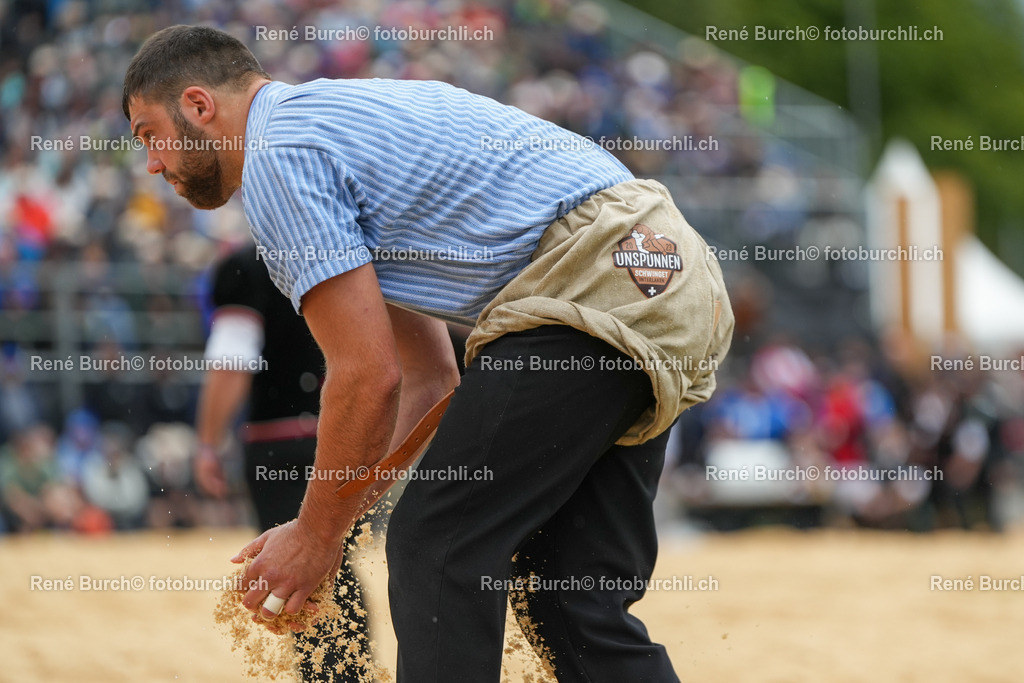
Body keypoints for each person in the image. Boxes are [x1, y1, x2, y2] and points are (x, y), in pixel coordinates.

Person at [123, 25, 733, 682]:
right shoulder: (337, 125)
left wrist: (315, 534)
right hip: (668, 272)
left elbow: (365, 378)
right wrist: (332, 526)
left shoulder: (275, 154)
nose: (152, 163)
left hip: (592, 277)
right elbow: (429, 380)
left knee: (436, 543)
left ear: (198, 105)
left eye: (148, 134)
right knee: (569, 595)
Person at [194, 243, 370, 681]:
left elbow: (232, 362)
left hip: (277, 441)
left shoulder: (243, 267)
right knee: (332, 566)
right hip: (343, 434)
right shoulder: (333, 250)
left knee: (302, 575)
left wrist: (208, 443)